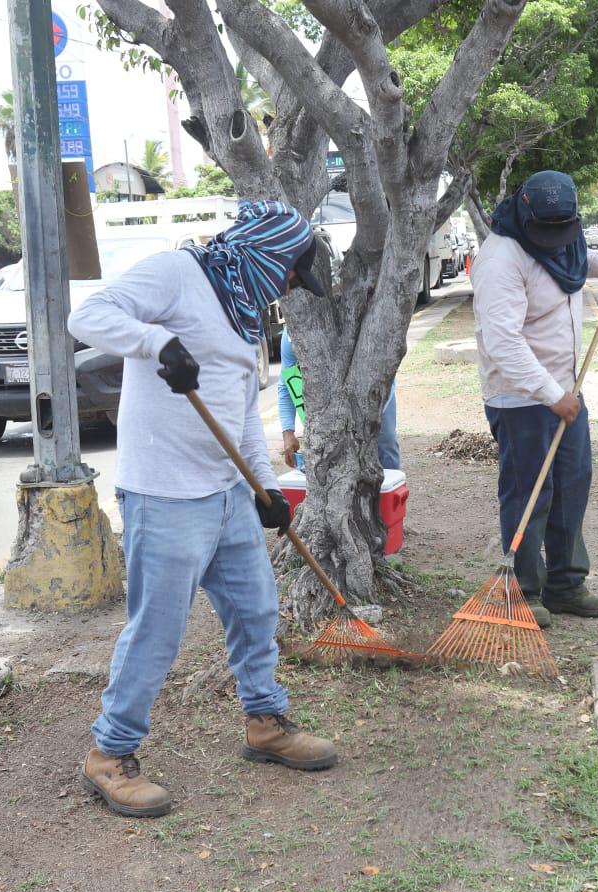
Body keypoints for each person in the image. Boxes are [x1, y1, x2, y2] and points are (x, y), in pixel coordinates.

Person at [66, 200, 338, 819]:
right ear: (268, 255)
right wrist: (158, 341)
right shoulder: (176, 273)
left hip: (226, 494)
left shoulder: (245, 317)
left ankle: (265, 721)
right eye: (293, 273)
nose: (290, 287)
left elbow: (241, 415)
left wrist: (266, 492)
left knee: (256, 608)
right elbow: (87, 317)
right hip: (164, 496)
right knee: (158, 631)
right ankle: (109, 755)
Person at [471, 170, 598, 630]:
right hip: (521, 397)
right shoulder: (501, 259)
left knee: (571, 485)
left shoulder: (565, 235)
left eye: (564, 230)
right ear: (525, 213)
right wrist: (550, 394)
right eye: (548, 232)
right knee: (529, 493)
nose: (557, 240)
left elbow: (580, 251)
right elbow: (503, 343)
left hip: (565, 390)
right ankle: (523, 589)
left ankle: (566, 584)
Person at [278, 328, 399, 470]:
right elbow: (286, 383)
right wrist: (288, 432)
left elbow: (386, 374)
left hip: (370, 391)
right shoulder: (292, 332)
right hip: (325, 407)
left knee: (385, 443)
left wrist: (367, 418)